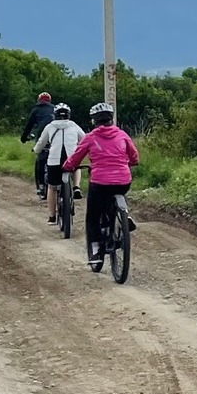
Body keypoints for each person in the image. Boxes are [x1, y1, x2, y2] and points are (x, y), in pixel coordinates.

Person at [61, 101, 137, 270]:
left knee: (93, 216)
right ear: (111, 118)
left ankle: (95, 252)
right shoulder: (123, 135)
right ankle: (124, 215)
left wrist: (67, 166)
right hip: (123, 180)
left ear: (94, 121)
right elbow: (134, 157)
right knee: (119, 190)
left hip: (100, 182)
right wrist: (128, 163)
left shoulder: (91, 137)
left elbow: (75, 157)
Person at [36, 102, 86, 222]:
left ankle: (52, 216)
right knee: (76, 167)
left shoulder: (50, 126)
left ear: (55, 115)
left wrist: (36, 150)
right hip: (71, 159)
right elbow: (84, 138)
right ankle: (76, 187)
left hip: (54, 161)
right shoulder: (74, 125)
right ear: (68, 115)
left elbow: (41, 142)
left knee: (52, 187)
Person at [20, 92, 59, 197]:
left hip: (42, 135)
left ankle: (41, 187)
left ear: (39, 100)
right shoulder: (54, 108)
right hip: (55, 136)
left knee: (40, 160)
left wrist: (23, 138)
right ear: (49, 101)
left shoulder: (35, 110)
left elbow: (29, 125)